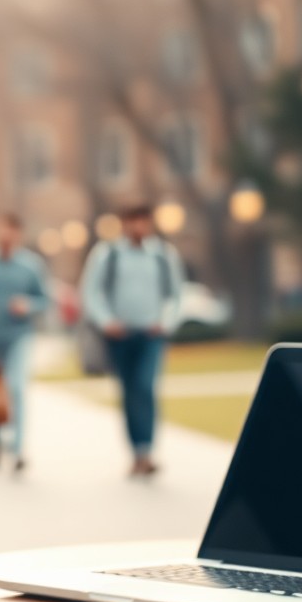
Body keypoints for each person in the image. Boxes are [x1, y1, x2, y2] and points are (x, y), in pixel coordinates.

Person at [78, 204, 185, 478]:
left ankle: (147, 450)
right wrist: (106, 321)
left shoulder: (163, 255)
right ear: (124, 224)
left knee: (146, 387)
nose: (138, 228)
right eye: (132, 222)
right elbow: (91, 292)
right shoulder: (108, 254)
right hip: (120, 335)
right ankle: (135, 451)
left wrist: (166, 322)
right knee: (128, 391)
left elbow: (175, 295)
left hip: (151, 334)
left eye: (143, 222)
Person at [0, 213, 50, 473]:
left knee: (16, 388)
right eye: (1, 230)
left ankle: (18, 449)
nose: (5, 236)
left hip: (20, 335)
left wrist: (28, 305)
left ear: (19, 234)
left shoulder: (31, 266)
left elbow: (45, 300)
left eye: (11, 231)